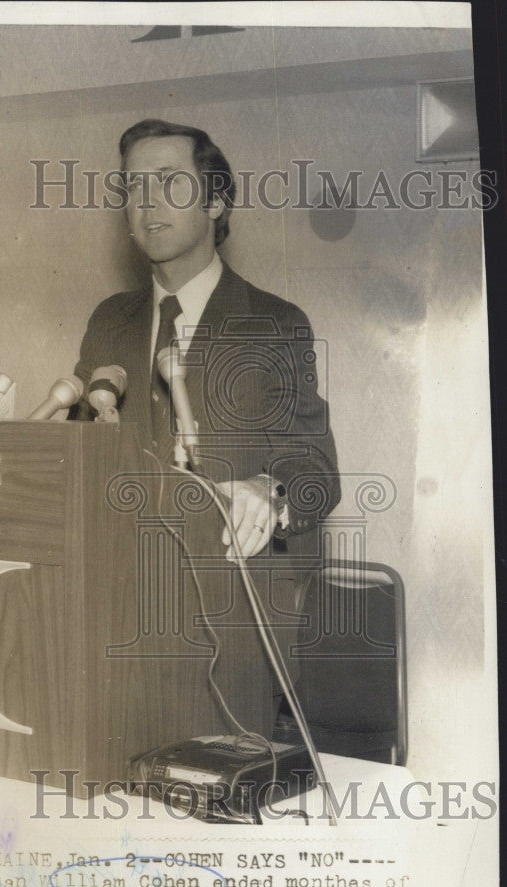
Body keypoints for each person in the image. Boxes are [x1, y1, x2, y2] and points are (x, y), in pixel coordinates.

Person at [70, 118, 340, 562]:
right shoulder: (108, 320)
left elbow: (317, 470)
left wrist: (267, 491)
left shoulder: (274, 322)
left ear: (215, 201)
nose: (147, 201)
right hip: (119, 587)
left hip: (230, 593)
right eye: (134, 187)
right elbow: (71, 452)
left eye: (169, 182)